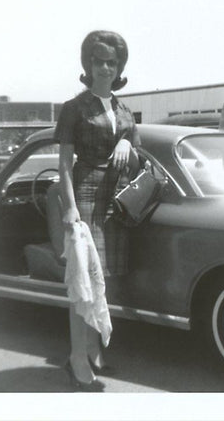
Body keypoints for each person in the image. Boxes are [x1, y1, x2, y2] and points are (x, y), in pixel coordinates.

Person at [54, 30, 141, 391]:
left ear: (119, 66)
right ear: (88, 64)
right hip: (85, 193)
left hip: (115, 198)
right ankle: (77, 357)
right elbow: (63, 164)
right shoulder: (74, 107)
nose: (105, 68)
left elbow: (137, 157)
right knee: (82, 281)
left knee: (102, 279)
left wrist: (126, 143)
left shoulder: (124, 109)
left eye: (112, 62)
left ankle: (92, 349)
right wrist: (70, 209)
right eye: (99, 60)